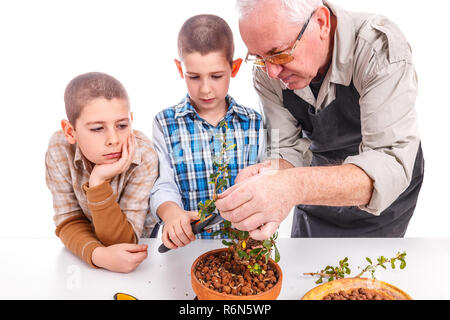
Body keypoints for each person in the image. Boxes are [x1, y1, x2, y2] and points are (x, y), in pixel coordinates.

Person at [215, 0, 424, 239]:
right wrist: (268, 175)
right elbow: (285, 148)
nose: (271, 72)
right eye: (259, 58)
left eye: (279, 54)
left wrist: (292, 185)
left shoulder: (378, 50)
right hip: (311, 191)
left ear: (321, 23)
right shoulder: (267, 71)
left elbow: (389, 163)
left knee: (363, 273)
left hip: (381, 206)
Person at [150, 14, 265, 250]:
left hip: (245, 250)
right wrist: (171, 213)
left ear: (234, 68)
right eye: (194, 77)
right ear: (180, 69)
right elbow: (163, 184)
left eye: (216, 76)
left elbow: (267, 180)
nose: (205, 88)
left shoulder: (254, 121)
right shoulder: (165, 123)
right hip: (186, 251)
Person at [45, 72, 159, 272]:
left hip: (136, 249)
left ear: (131, 121)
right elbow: (68, 220)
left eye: (122, 125)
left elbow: (124, 242)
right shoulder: (59, 149)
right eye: (98, 128)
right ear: (70, 132)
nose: (114, 139)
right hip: (87, 245)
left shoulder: (144, 156)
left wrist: (98, 181)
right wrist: (98, 255)